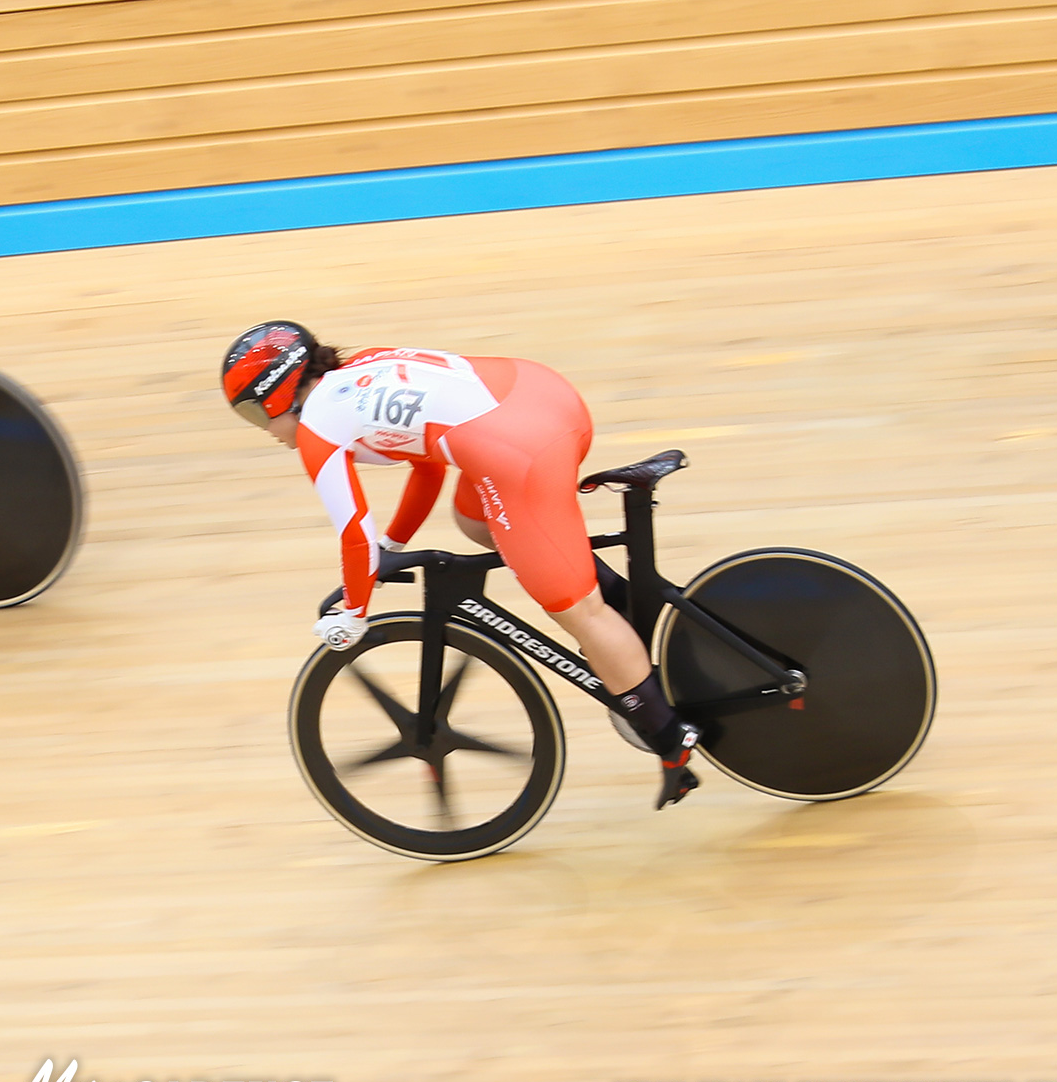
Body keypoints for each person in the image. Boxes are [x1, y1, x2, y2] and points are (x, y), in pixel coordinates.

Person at [221, 321, 700, 809]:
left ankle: (668, 740)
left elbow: (352, 534)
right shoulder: (359, 368)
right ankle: (624, 607)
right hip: (542, 395)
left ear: (278, 396)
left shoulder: (317, 427)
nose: (265, 432)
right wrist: (390, 544)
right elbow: (426, 467)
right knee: (475, 518)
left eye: (256, 416)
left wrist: (353, 613)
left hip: (519, 447)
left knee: (577, 612)